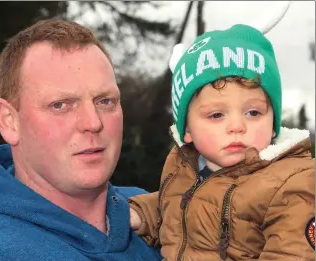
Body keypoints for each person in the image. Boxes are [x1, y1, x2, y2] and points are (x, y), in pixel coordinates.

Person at [0, 19, 163, 261]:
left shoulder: (154, 211)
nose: (93, 122)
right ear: (9, 121)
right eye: (60, 105)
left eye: (105, 101)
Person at [128, 24, 315, 261]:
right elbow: (174, 207)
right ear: (187, 130)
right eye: (217, 115)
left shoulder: (294, 184)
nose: (237, 126)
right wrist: (139, 214)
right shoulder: (184, 168)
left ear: (273, 121)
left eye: (253, 113)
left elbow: (293, 253)